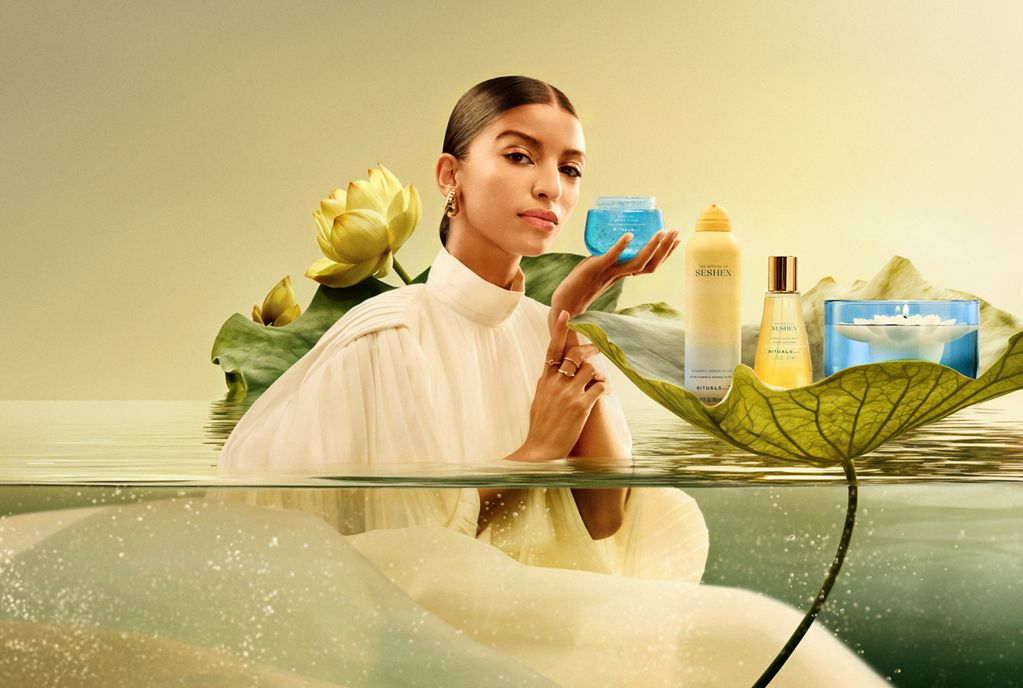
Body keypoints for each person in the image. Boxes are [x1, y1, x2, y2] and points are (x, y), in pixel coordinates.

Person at [217, 75, 702, 572]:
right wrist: (536, 453)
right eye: (520, 156)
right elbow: (410, 552)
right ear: (451, 175)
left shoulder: (548, 329)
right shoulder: (392, 336)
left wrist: (570, 320)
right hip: (439, 614)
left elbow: (602, 520)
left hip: (553, 603)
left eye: (570, 169)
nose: (551, 187)